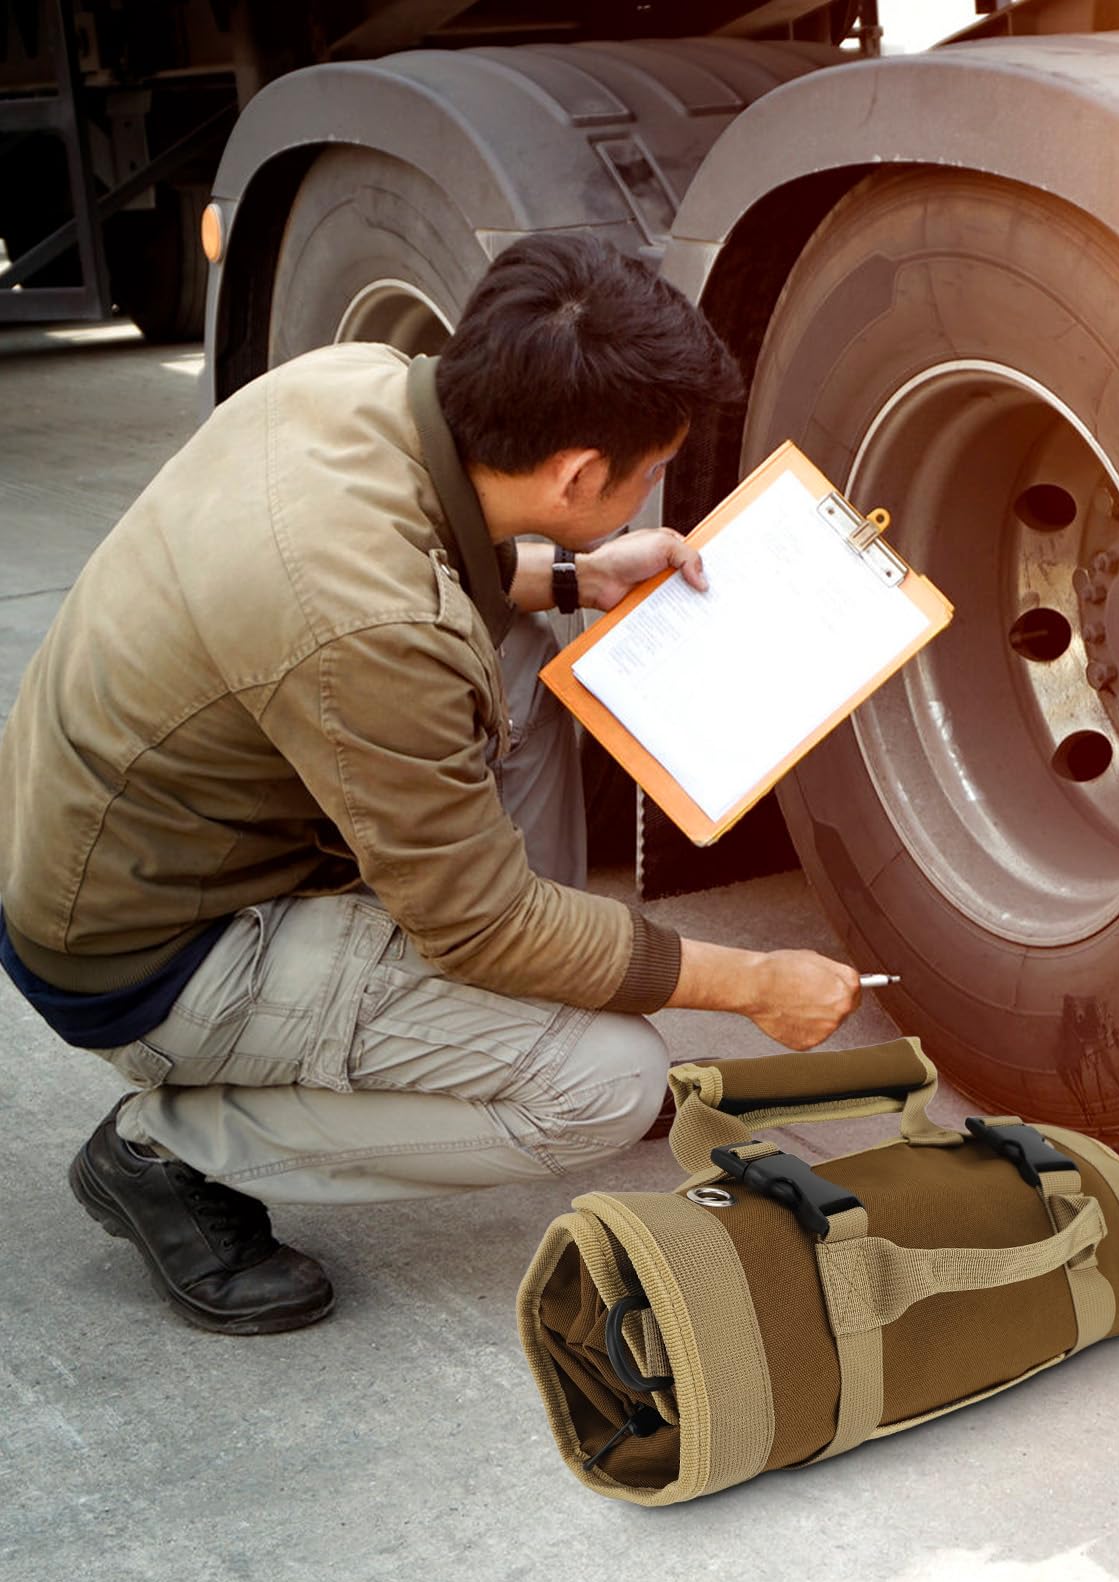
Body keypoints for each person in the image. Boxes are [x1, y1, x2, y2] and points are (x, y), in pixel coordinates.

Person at [0, 235, 861, 1336]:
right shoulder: (372, 630)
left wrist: (573, 571)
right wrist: (750, 984)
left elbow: (421, 541)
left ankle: (514, 1005)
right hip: (151, 955)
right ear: (577, 474)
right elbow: (479, 925)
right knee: (604, 1080)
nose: (653, 492)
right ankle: (162, 1148)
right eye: (649, 472)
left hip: (112, 836)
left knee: (525, 651)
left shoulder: (351, 381)